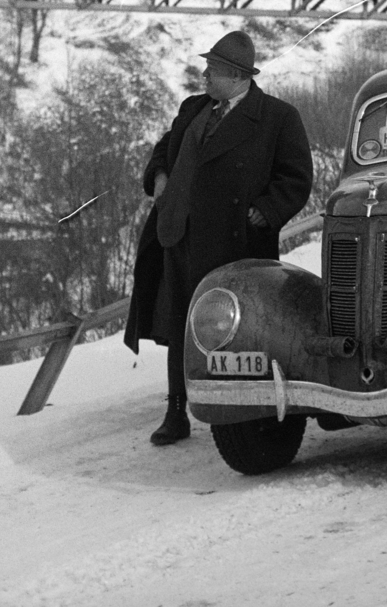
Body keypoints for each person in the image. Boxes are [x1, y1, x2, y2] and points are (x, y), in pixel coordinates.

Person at [122, 30, 313, 446]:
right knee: (179, 323)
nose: (204, 75)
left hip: (236, 246)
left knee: (230, 330)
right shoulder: (193, 109)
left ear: (236, 75)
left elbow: (296, 179)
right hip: (178, 234)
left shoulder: (277, 118)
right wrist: (158, 176)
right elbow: (164, 148)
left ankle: (236, 416)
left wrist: (265, 212)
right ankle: (176, 411)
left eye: (212, 69)